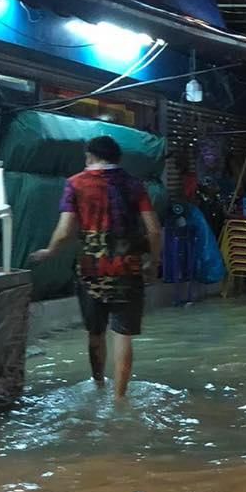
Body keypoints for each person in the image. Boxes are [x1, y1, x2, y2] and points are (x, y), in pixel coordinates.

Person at [29, 135, 161, 399]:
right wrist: (152, 263)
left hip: (91, 268)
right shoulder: (134, 185)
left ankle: (98, 384)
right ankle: (119, 399)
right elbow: (154, 230)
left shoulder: (75, 184)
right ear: (117, 158)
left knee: (95, 332)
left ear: (89, 156)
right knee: (123, 335)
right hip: (127, 267)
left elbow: (66, 230)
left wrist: (49, 251)